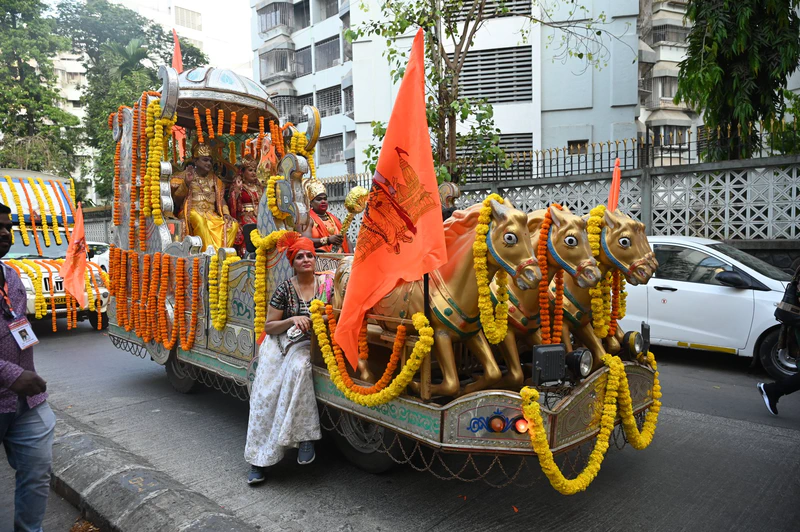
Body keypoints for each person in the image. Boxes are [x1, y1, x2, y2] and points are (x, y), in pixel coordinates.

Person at [244, 232, 327, 485]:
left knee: (301, 368)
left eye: (309, 255)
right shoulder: (285, 288)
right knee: (266, 396)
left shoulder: (327, 285)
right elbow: (269, 327)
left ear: (315, 259)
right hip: (280, 345)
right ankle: (258, 461)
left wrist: (318, 321)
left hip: (313, 345)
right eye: (299, 256)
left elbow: (337, 313)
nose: (305, 260)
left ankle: (305, 437)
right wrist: (293, 320)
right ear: (292, 262)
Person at [0, 202, 55, 532]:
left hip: (26, 401)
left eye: (8, 226)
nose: (5, 232)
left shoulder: (11, 275)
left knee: (37, 470)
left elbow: (17, 325)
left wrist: (24, 376)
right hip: (10, 389)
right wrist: (11, 374)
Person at [170, 143, 239, 251]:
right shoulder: (185, 175)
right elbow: (177, 201)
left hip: (211, 215)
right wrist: (186, 184)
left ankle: (222, 255)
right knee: (200, 221)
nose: (209, 163)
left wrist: (226, 213)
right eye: (205, 160)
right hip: (192, 212)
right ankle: (208, 256)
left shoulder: (216, 180)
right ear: (195, 161)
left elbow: (221, 200)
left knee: (233, 225)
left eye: (210, 161)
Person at [228, 156, 263, 256]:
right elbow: (232, 205)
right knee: (251, 228)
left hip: (259, 216)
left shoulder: (259, 187)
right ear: (243, 172)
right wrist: (237, 191)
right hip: (244, 216)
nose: (253, 173)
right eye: (250, 170)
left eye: (255, 170)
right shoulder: (239, 185)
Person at [302, 181, 351, 253]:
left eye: (325, 199)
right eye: (319, 199)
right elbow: (305, 241)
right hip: (320, 260)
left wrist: (352, 257)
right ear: (311, 203)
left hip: (341, 260)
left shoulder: (334, 218)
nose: (323, 201)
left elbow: (346, 240)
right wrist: (328, 240)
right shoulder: (308, 219)